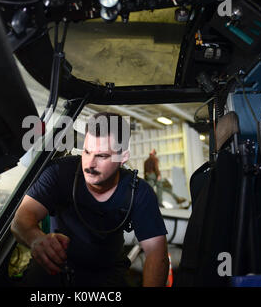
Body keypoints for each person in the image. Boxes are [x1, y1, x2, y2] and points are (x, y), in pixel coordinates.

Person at [11, 112, 169, 287]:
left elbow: (156, 253)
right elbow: (21, 219)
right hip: (55, 269)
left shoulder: (139, 192)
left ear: (123, 157)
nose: (89, 164)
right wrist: (36, 239)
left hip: (107, 275)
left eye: (101, 156)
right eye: (87, 151)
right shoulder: (59, 173)